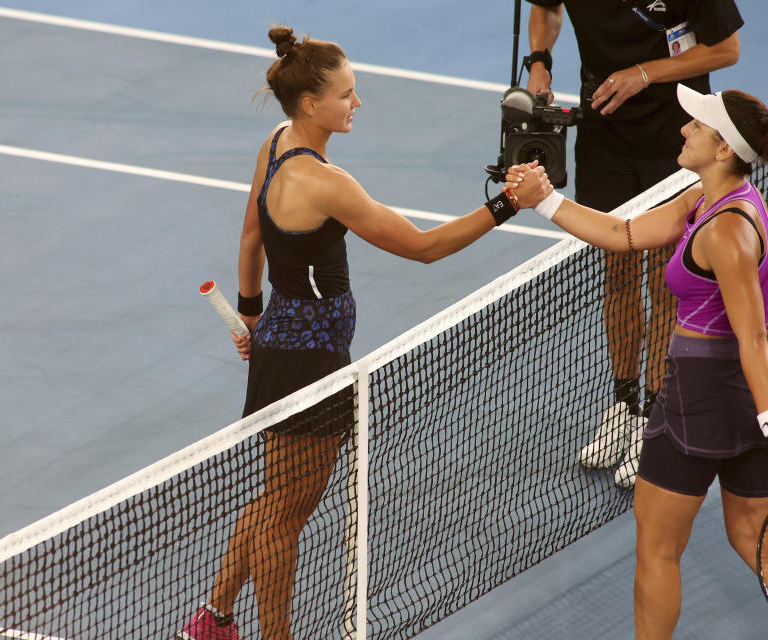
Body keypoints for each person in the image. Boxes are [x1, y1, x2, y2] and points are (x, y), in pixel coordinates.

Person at [176, 27, 550, 640]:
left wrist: (251, 312)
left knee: (277, 500)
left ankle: (212, 619)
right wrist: (509, 204)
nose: (357, 103)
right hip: (310, 364)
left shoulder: (275, 144)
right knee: (287, 517)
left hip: (283, 342)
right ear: (310, 105)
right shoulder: (326, 183)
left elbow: (251, 237)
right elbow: (425, 249)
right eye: (347, 95)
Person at [509, 84, 768, 639]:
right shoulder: (711, 198)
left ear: (721, 150)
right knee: (757, 540)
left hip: (703, 396)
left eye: (697, 127)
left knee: (658, 549)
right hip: (749, 395)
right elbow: (626, 233)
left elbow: (751, 339)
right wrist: (545, 200)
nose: (684, 129)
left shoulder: (727, 231)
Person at [524, 0, 743, 489]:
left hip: (678, 135)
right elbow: (546, 8)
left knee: (666, 281)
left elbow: (726, 49)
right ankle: (624, 404)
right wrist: (539, 60)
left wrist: (645, 73)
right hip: (604, 131)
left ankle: (656, 413)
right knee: (618, 274)